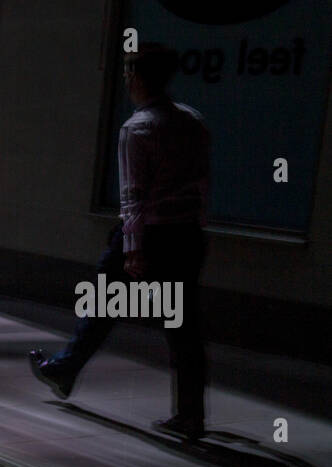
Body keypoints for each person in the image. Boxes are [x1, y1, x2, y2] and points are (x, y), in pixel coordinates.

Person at [28, 43, 210, 440]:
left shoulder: (137, 128)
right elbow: (201, 184)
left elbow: (133, 196)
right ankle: (191, 415)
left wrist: (134, 249)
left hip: (149, 236)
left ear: (140, 78)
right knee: (182, 326)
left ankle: (65, 368)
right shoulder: (193, 121)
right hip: (186, 236)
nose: (126, 79)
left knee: (103, 302)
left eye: (129, 72)